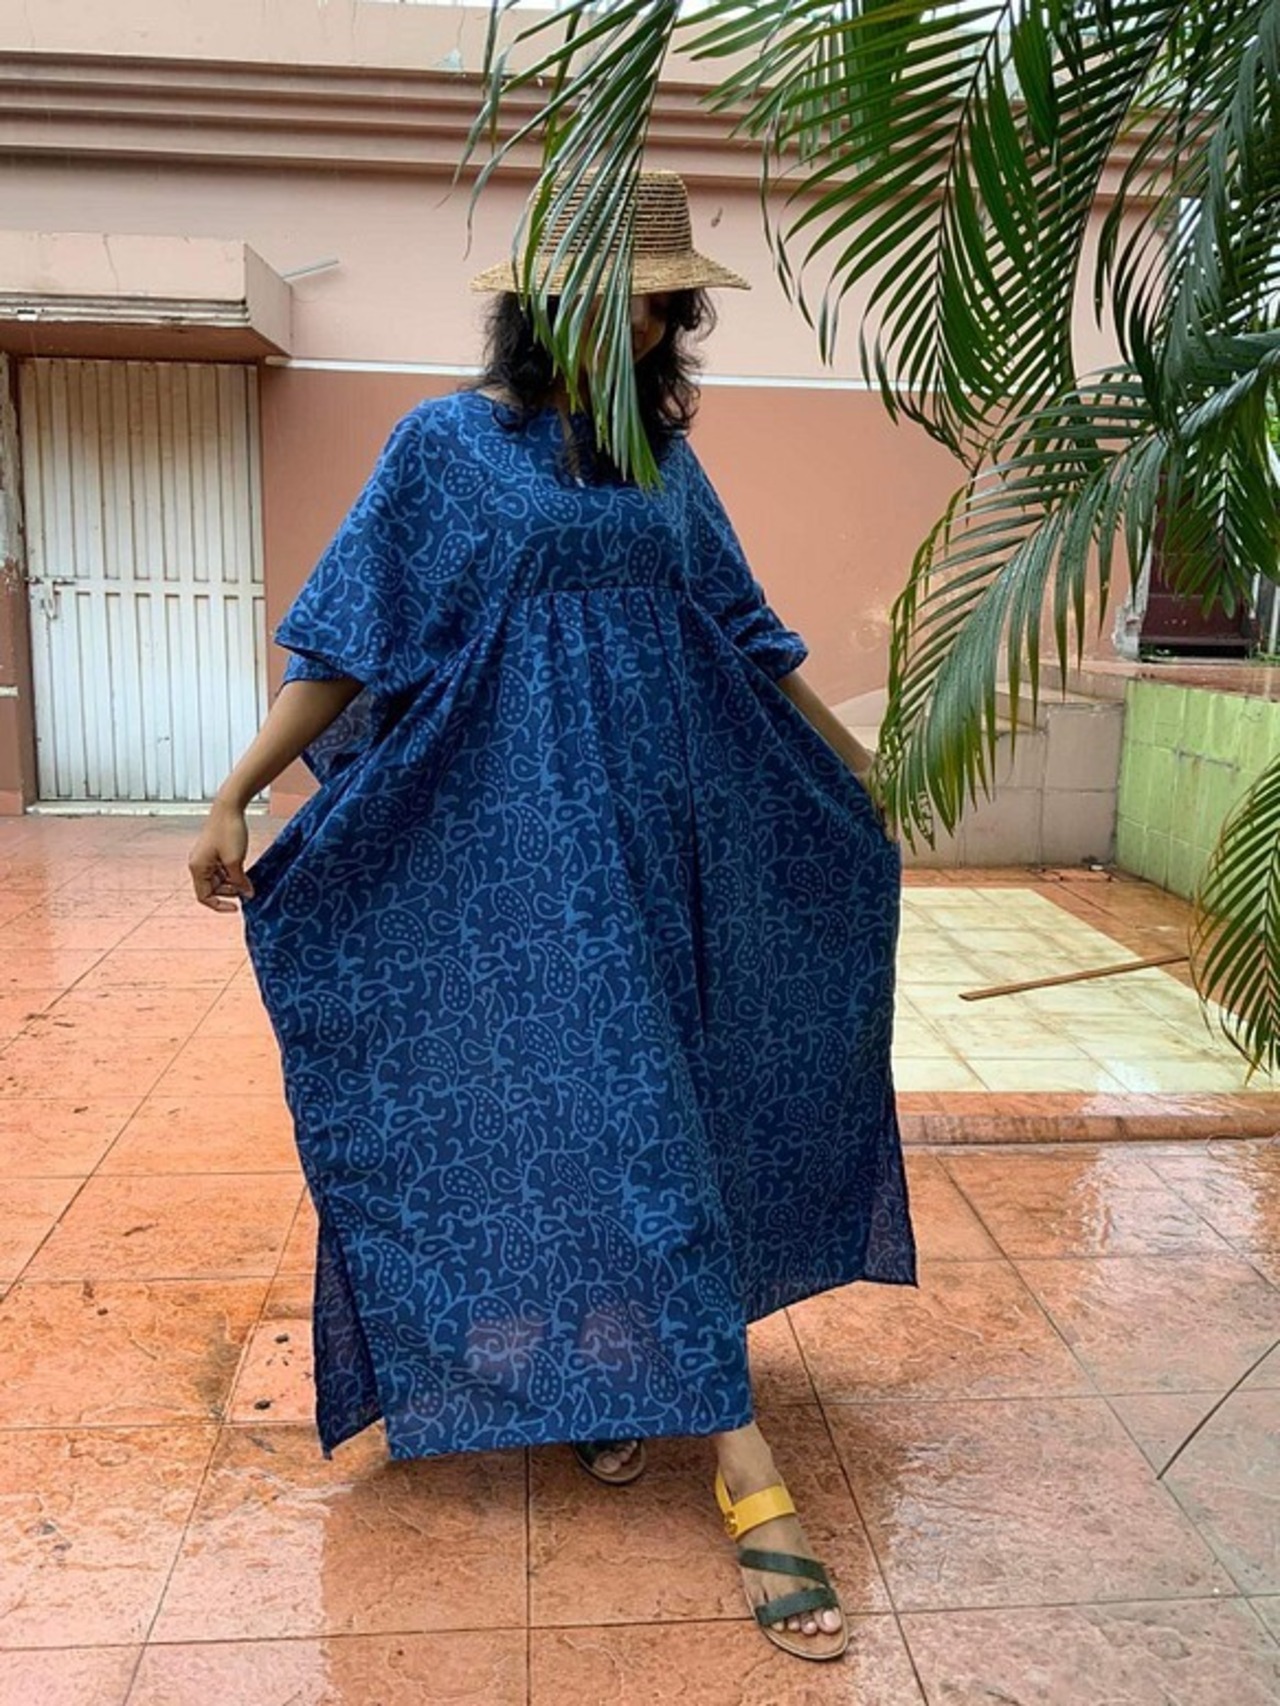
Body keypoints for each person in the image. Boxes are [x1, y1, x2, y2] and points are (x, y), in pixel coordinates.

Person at [188, 170, 916, 1664]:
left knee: (654, 1101)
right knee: (600, 1102)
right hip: (514, 848)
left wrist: (857, 773)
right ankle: (745, 1463)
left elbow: (747, 631)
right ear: (546, 305)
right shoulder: (443, 447)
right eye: (616, 299)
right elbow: (349, 639)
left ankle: (612, 1370)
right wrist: (237, 790)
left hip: (668, 836)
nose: (642, 325)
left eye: (661, 305)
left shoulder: (659, 462)